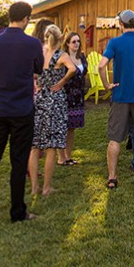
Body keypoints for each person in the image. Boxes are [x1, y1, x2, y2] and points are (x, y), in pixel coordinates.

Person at [0, 0, 44, 224]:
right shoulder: (32, 44)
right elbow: (38, 69)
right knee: (18, 161)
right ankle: (17, 212)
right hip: (22, 110)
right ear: (26, 19)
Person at [98, 10, 134, 187]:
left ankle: (112, 178)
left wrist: (107, 85)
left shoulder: (114, 42)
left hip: (120, 95)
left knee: (115, 138)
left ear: (120, 24)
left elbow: (101, 65)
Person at [28, 24, 77, 197]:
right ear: (60, 39)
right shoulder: (61, 55)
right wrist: (62, 82)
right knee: (51, 147)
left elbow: (30, 71)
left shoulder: (39, 52)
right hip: (55, 101)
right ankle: (47, 188)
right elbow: (73, 69)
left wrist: (37, 82)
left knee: (34, 146)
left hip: (39, 100)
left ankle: (34, 187)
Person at [57, 29, 88, 165]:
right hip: (65, 96)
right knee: (62, 126)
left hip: (78, 96)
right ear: (68, 44)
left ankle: (68, 156)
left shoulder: (82, 57)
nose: (76, 44)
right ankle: (61, 157)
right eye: (73, 41)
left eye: (78, 41)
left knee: (72, 127)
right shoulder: (64, 57)